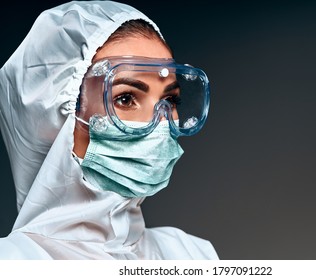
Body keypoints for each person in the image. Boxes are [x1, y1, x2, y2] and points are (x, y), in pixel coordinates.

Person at [0, 0, 218, 259]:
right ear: (58, 119)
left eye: (170, 101)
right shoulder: (16, 261)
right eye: (125, 99)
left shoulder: (191, 255)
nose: (161, 121)